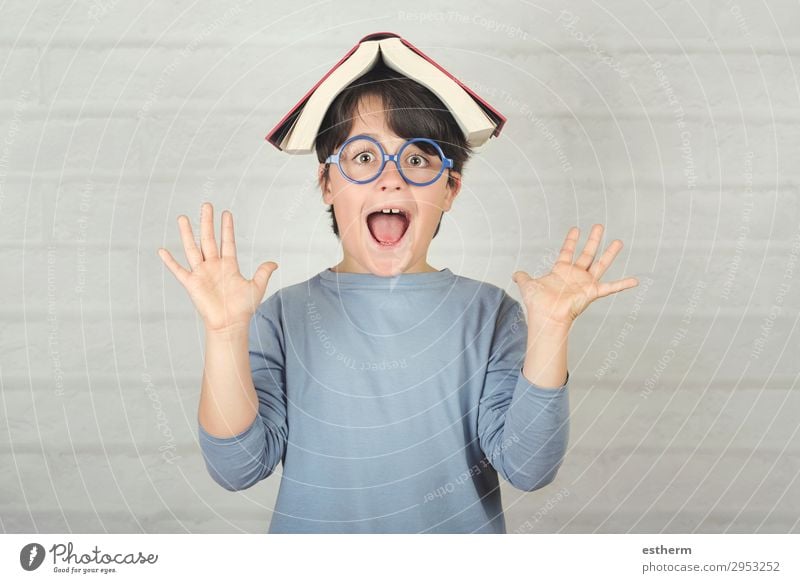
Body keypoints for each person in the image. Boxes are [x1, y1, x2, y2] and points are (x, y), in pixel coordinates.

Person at [157, 63, 639, 533]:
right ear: (327, 183)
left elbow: (529, 468)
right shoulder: (283, 315)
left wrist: (551, 331)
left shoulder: (491, 315)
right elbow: (237, 469)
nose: (392, 178)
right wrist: (223, 334)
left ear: (450, 189)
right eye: (363, 157)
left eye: (417, 159)